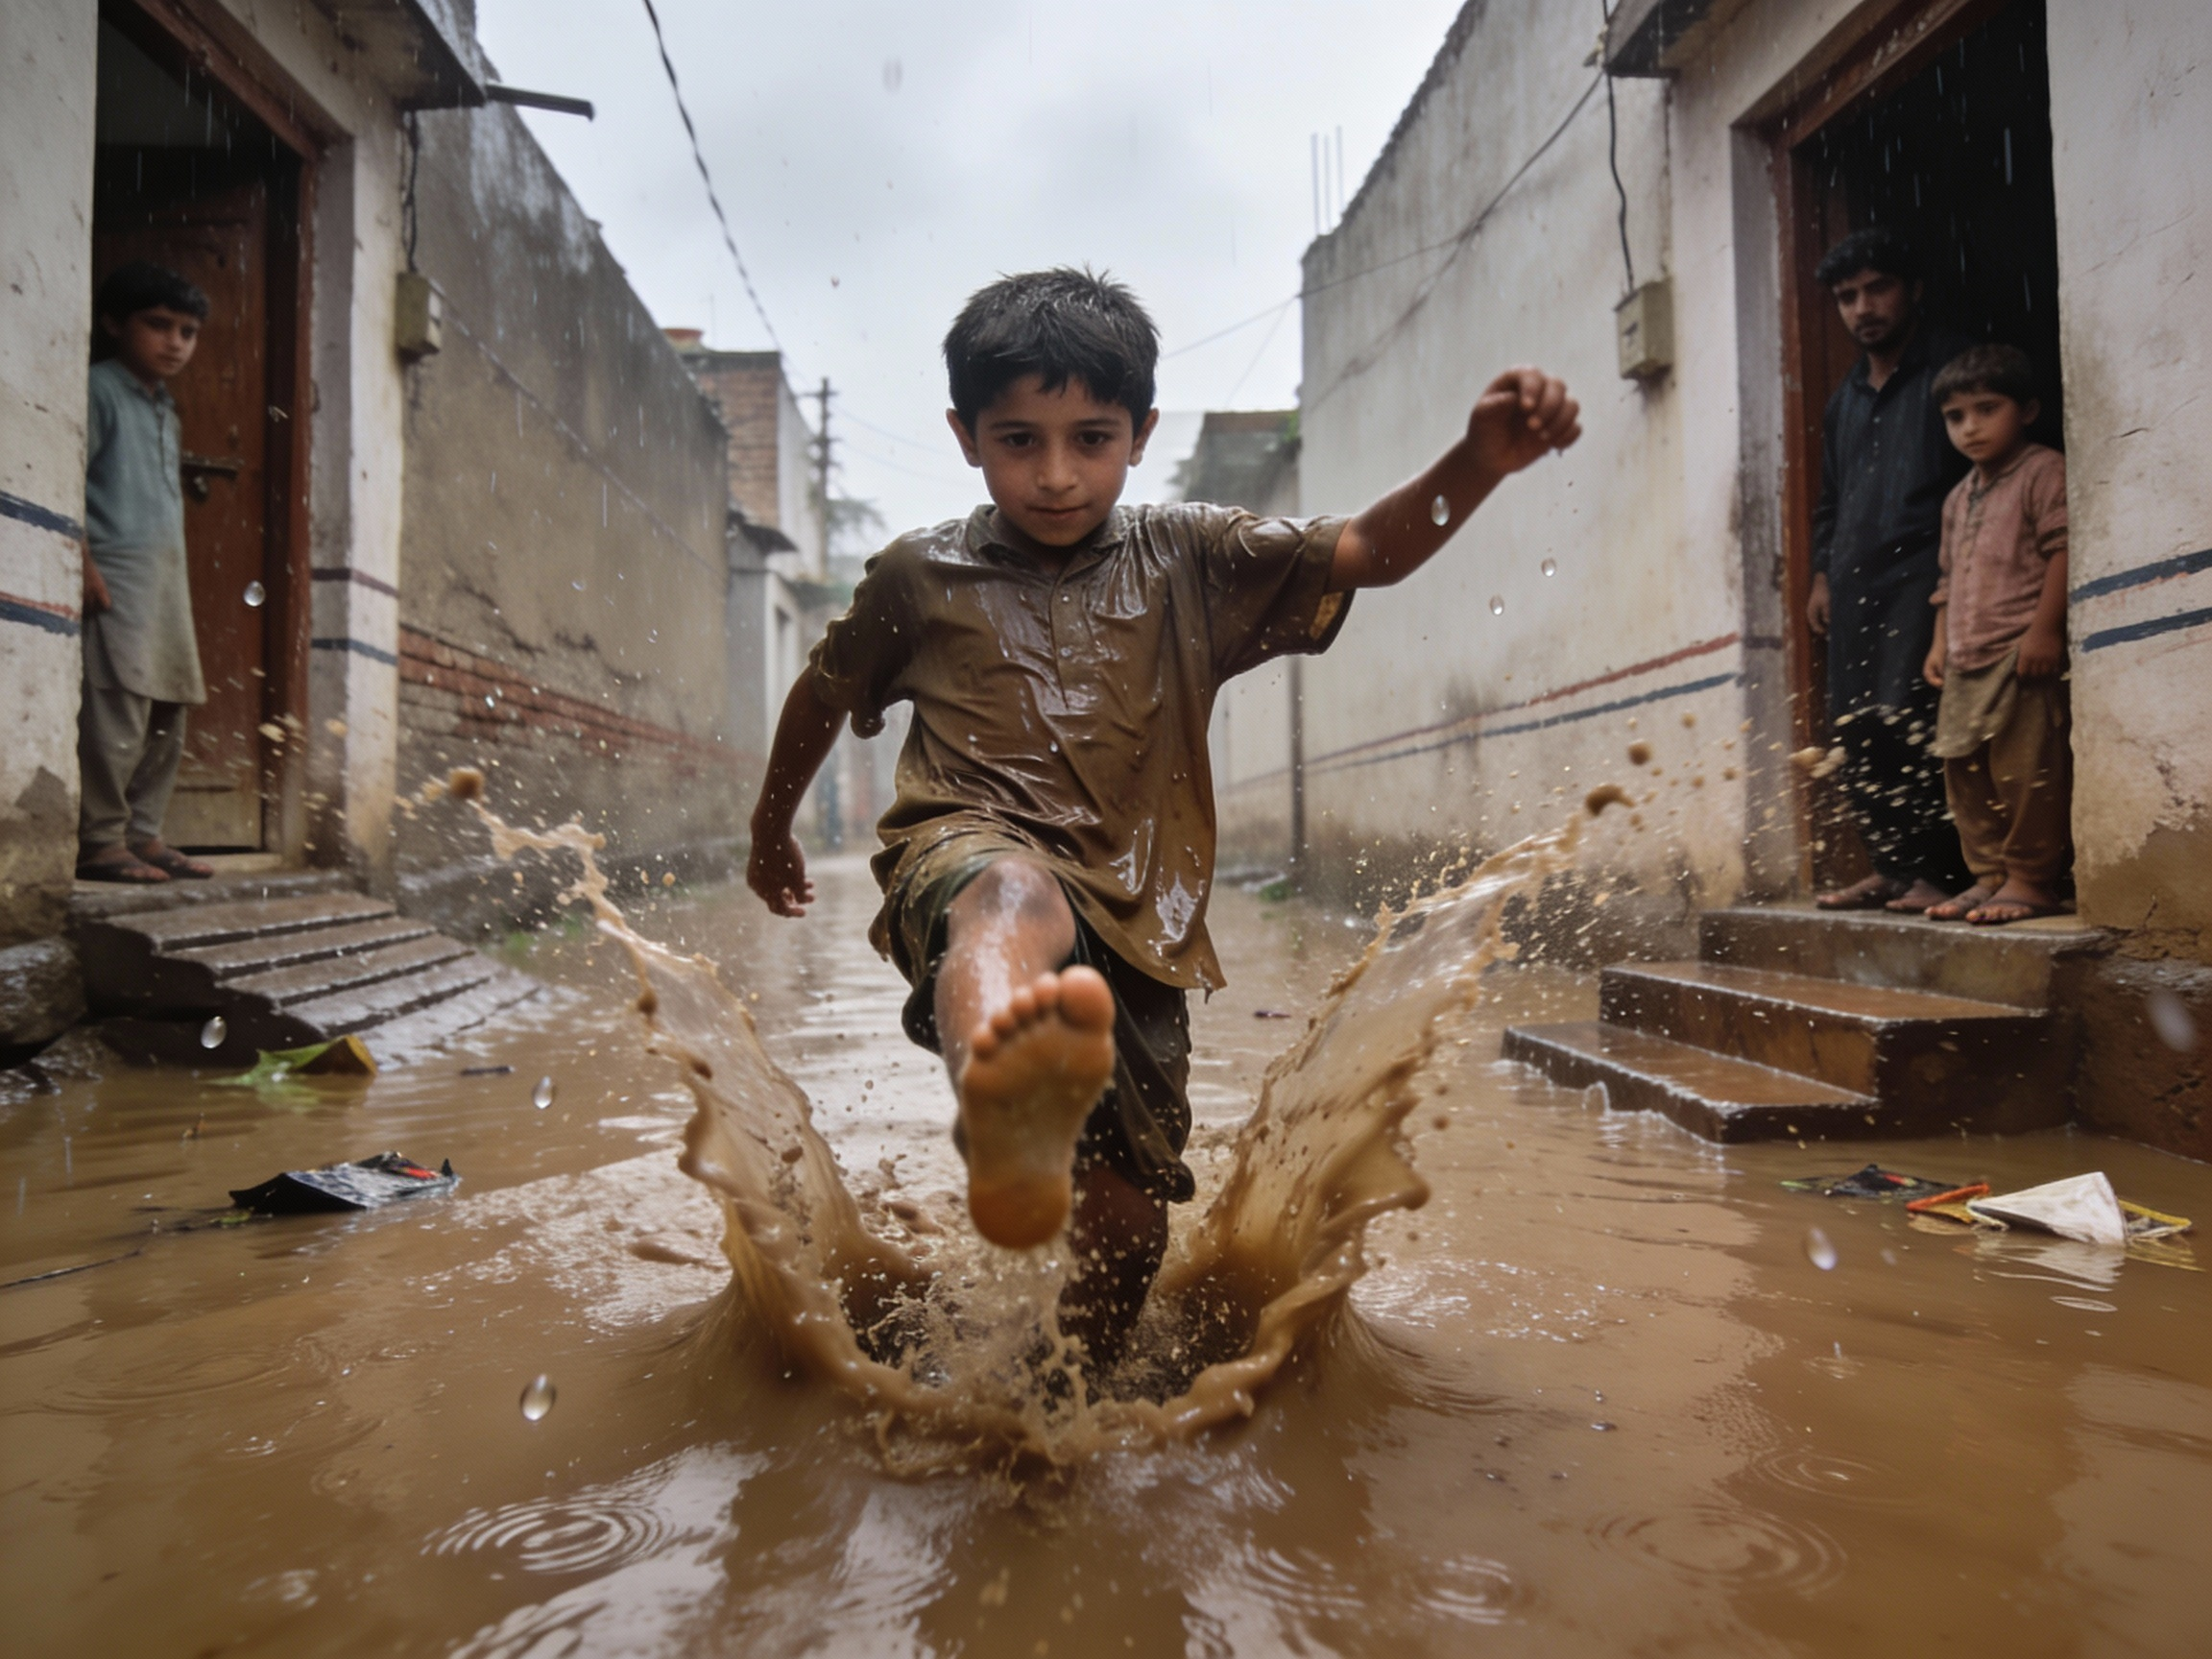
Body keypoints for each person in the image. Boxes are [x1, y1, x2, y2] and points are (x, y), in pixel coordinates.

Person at [746, 268, 1579, 1367]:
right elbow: (820, 689)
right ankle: (1007, 1100)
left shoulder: (1190, 555)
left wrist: (1478, 465)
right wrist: (771, 825)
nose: (1054, 475)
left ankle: (1067, 1396)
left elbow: (1369, 552)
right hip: (966, 848)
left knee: (1130, 1233)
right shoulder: (919, 575)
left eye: (1089, 438)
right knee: (1010, 896)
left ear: (1139, 433)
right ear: (965, 436)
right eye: (1018, 440)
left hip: (1145, 918)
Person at [1805, 227, 1973, 912]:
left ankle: (1940, 874)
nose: (1863, 307)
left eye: (1878, 288)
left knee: (1913, 717)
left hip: (1925, 574)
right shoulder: (1843, 399)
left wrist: (1959, 579)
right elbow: (1830, 500)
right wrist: (1821, 575)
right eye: (1848, 297)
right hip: (1853, 583)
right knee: (1856, 725)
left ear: (1914, 290)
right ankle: (1890, 867)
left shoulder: (1952, 371)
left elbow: (1978, 478)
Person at [1919, 345, 2071, 924]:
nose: (1971, 427)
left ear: (2027, 409)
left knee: (2027, 770)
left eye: (1988, 409)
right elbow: (1947, 579)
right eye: (1956, 417)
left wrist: (2043, 631)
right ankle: (1988, 876)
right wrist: (1940, 642)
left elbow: (2063, 548)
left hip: (2017, 651)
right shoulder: (1959, 498)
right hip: (1964, 657)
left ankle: (2031, 879)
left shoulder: (2043, 471)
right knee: (1966, 772)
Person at [78, 260, 215, 884]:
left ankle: (144, 833)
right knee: (118, 710)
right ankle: (102, 841)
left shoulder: (165, 407)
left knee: (169, 707)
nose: (175, 343)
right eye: (158, 326)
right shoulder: (97, 389)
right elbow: (65, 476)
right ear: (114, 323)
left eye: (187, 331)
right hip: (118, 576)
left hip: (165, 583)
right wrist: (80, 560)